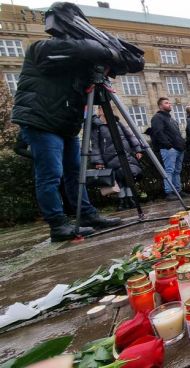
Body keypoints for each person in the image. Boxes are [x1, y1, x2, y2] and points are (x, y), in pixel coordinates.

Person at [10, 3, 122, 241]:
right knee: (50, 174)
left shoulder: (75, 63)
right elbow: (82, 48)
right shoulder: (42, 49)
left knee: (75, 171)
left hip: (65, 123)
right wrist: (101, 45)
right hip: (41, 120)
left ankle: (87, 214)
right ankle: (58, 224)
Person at [90, 107, 143, 210]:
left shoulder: (117, 123)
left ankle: (130, 198)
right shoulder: (97, 126)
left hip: (124, 154)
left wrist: (137, 149)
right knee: (118, 179)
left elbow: (130, 136)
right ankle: (122, 201)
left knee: (128, 177)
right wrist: (98, 161)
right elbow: (95, 144)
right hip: (109, 157)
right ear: (99, 111)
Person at [150, 97, 188, 200]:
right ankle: (169, 192)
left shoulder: (171, 118)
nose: (169, 104)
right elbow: (158, 132)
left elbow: (177, 133)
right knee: (169, 170)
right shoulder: (157, 117)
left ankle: (177, 190)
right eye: (166, 103)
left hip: (179, 148)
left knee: (177, 171)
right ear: (160, 106)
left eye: (169, 103)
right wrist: (168, 145)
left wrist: (182, 145)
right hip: (169, 149)